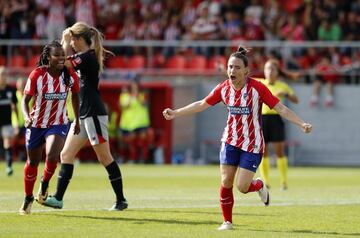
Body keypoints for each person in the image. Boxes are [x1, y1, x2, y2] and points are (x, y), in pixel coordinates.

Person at [162, 47, 312, 231]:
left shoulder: (258, 89)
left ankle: (258, 185)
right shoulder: (223, 88)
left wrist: (301, 123)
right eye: (230, 67)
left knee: (242, 186)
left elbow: (281, 108)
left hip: (253, 143)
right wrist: (176, 112)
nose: (232, 71)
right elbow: (202, 104)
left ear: (246, 71)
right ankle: (227, 222)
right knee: (226, 181)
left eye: (237, 67)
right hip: (230, 140)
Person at [43, 22, 127, 211]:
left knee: (104, 157)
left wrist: (63, 42)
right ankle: (58, 198)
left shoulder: (87, 57)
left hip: (94, 114)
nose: (71, 42)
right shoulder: (82, 57)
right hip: (83, 114)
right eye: (70, 39)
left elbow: (61, 62)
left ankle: (121, 200)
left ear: (80, 39)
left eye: (73, 39)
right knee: (66, 154)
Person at [19, 41, 80, 215]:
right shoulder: (37, 75)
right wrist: (25, 117)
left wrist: (77, 119)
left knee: (53, 154)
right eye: (57, 55)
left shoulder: (69, 74)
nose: (62, 58)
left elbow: (76, 96)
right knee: (32, 162)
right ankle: (28, 197)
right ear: (48, 57)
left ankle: (44, 185)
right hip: (37, 124)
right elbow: (25, 100)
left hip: (59, 122)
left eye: (63, 55)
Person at [259, 59, 299, 190]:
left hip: (276, 119)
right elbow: (241, 78)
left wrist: (285, 94)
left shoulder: (282, 86)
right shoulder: (260, 83)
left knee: (280, 152)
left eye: (272, 69)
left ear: (277, 72)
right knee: (262, 152)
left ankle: (284, 182)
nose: (269, 72)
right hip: (262, 119)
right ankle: (266, 182)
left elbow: (296, 100)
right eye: (267, 69)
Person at [118, 76, 151, 163]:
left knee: (142, 140)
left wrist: (137, 96)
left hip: (141, 122)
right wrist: (130, 98)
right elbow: (122, 106)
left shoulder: (143, 94)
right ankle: (127, 158)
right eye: (133, 85)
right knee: (126, 141)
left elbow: (145, 104)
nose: (134, 87)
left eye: (136, 85)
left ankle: (142, 159)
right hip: (127, 123)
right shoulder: (125, 95)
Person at [0, 66, 18, 176]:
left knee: (7, 144)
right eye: (1, 74)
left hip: (7, 122)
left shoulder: (11, 90)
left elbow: (15, 107)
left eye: (4, 74)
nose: (3, 77)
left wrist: (16, 123)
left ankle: (9, 166)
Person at [12, 77, 27, 162]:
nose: (21, 86)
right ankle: (14, 156)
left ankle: (24, 156)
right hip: (16, 123)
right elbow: (13, 110)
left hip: (25, 123)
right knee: (14, 139)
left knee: (28, 140)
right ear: (17, 85)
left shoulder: (27, 96)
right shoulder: (15, 95)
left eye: (23, 85)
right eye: (20, 84)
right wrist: (16, 123)